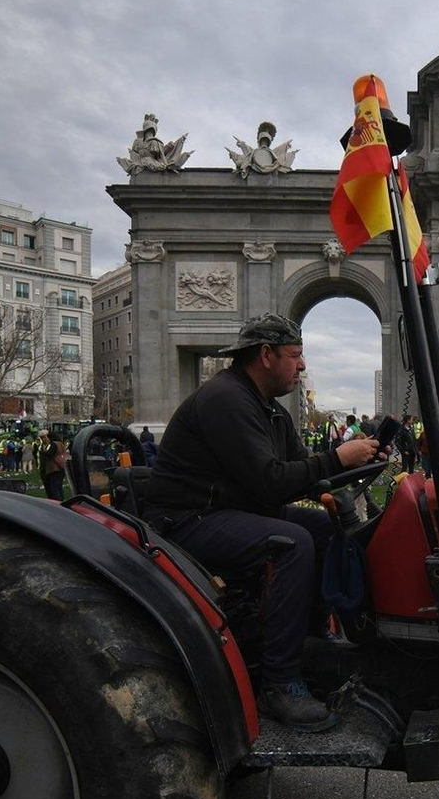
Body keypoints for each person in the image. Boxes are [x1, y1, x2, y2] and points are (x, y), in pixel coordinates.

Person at [144, 313, 384, 731]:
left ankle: (311, 646)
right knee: (291, 542)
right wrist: (337, 458)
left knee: (324, 529)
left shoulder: (270, 410)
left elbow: (300, 470)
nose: (303, 365)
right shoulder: (227, 400)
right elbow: (270, 481)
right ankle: (280, 683)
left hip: (230, 511)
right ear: (267, 355)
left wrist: (340, 476)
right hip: (187, 520)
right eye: (296, 355)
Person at [37, 430, 67, 501]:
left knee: (54, 489)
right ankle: (61, 501)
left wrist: (42, 452)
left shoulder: (54, 444)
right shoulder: (61, 444)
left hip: (54, 468)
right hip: (61, 467)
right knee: (58, 487)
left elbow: (50, 453)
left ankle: (57, 502)